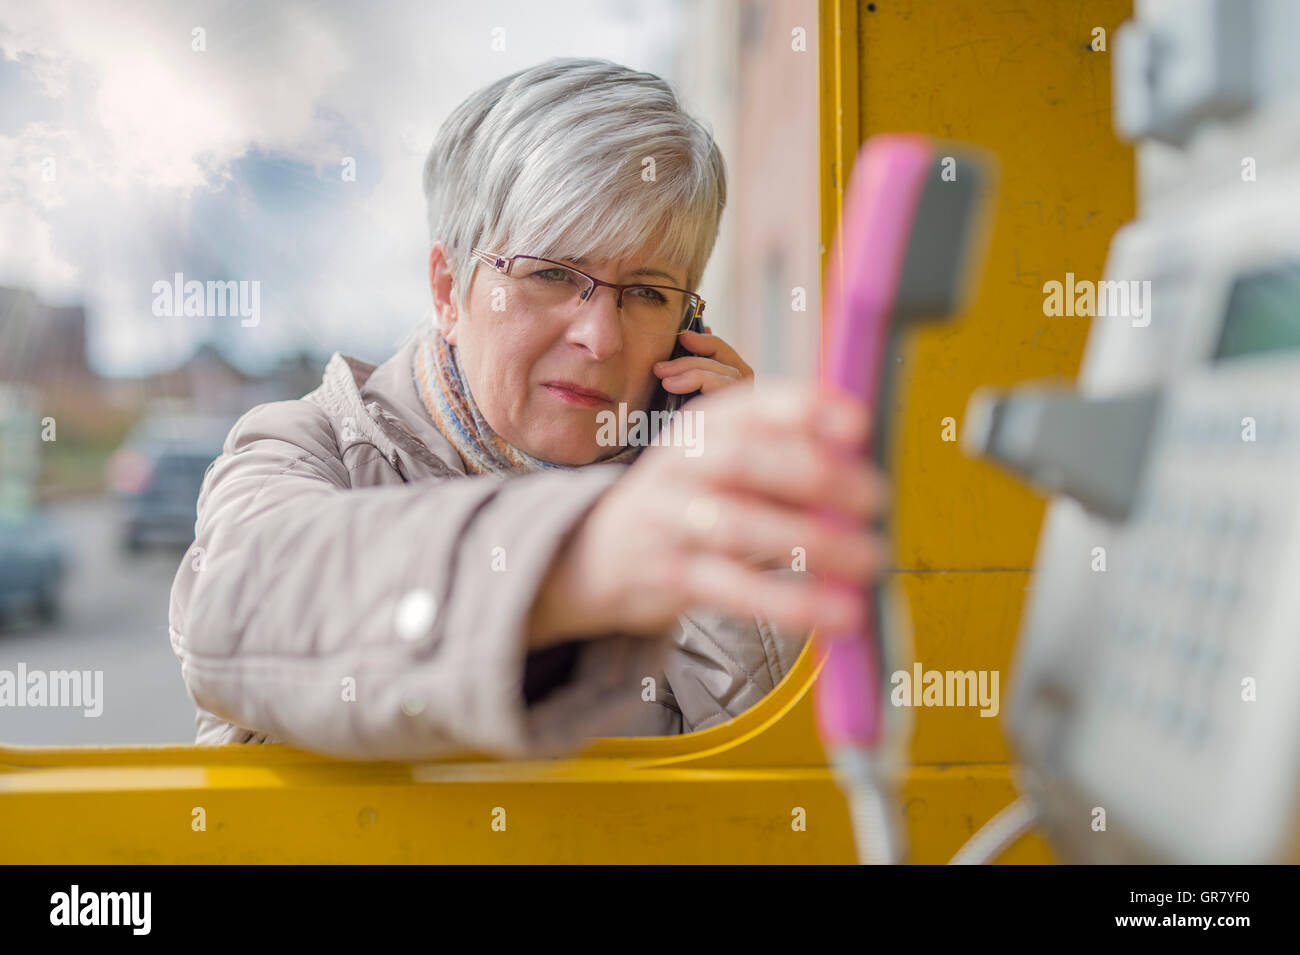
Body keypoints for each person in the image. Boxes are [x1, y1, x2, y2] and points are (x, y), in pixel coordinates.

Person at [167, 57, 889, 760]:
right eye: (550, 273)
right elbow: (239, 605)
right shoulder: (306, 444)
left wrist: (739, 526)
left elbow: (781, 792)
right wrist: (580, 556)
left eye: (645, 292)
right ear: (449, 291)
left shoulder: (698, 484)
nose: (599, 336)